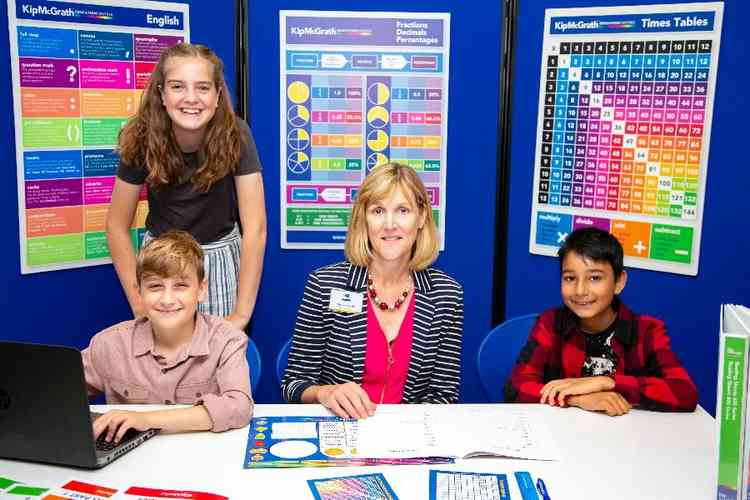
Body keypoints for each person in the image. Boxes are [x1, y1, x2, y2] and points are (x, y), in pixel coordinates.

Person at [281, 163, 464, 419]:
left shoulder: (446, 294)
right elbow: (293, 384)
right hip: (340, 432)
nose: (389, 225)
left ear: (421, 217)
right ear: (363, 219)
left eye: (402, 210)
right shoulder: (325, 284)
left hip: (409, 441)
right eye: (378, 210)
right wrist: (326, 392)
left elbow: (443, 394)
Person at [107, 43, 266, 331]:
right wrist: (138, 302)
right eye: (178, 86)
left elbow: (255, 228)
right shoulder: (143, 138)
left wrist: (241, 314)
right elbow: (116, 227)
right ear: (162, 94)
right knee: (163, 365)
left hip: (219, 260)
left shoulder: (237, 135)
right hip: (161, 261)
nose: (191, 98)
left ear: (218, 96)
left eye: (203, 88)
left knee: (218, 364)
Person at [504, 227, 697, 416]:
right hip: (563, 436)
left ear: (619, 282)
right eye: (570, 278)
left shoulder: (647, 330)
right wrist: (575, 399)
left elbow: (684, 392)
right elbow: (516, 387)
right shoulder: (550, 323)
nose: (580, 291)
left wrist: (609, 382)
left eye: (595, 278)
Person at [83, 230, 253, 443]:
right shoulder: (109, 344)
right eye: (155, 286)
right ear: (139, 293)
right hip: (130, 464)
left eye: (181, 286)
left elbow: (238, 407)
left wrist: (146, 420)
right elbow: (57, 391)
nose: (167, 299)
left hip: (201, 457)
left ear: (201, 290)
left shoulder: (227, 340)